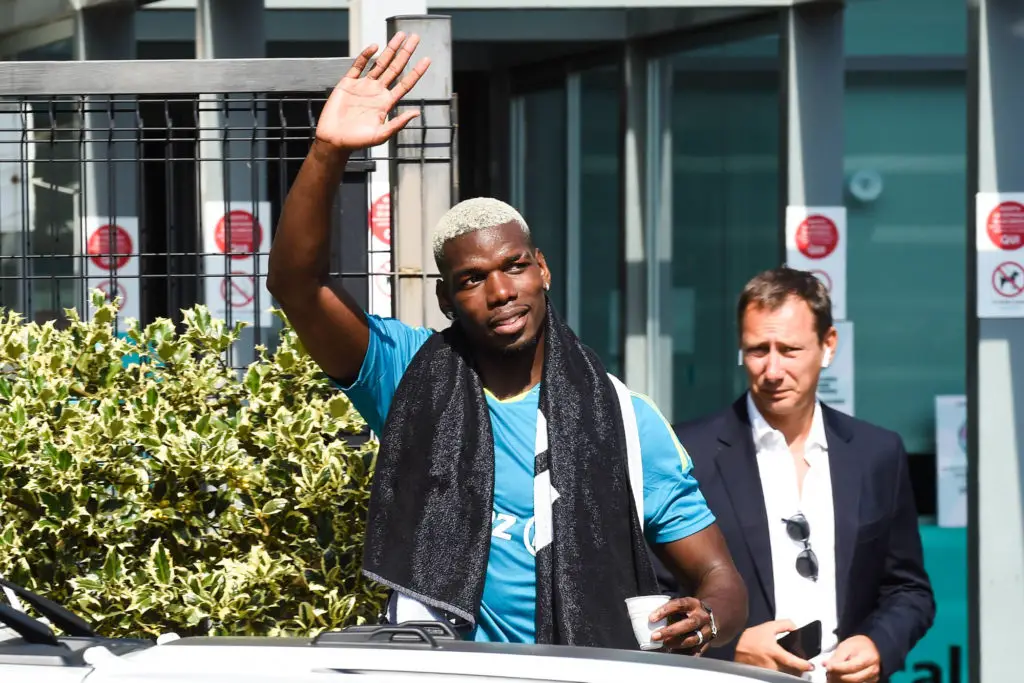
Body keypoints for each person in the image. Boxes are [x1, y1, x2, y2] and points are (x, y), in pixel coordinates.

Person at [267, 32, 747, 652]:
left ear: (542, 269)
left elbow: (719, 577)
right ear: (446, 299)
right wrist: (328, 151)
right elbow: (297, 286)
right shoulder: (409, 376)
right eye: (472, 279)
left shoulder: (626, 420)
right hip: (444, 669)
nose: (500, 292)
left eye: (514, 267)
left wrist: (707, 618)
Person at [662, 267, 934, 682]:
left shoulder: (877, 454)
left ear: (828, 345)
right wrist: (729, 647)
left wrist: (877, 644)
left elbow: (908, 590)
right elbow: (654, 593)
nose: (772, 371)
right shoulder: (687, 453)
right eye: (758, 350)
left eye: (789, 350)